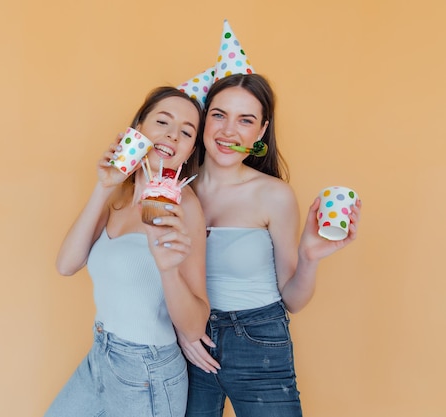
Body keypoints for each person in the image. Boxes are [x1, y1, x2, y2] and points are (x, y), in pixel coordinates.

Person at [176, 73, 362, 417]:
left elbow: (292, 299)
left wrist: (309, 257)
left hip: (258, 341)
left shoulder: (273, 195)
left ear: (261, 131)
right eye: (219, 115)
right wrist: (184, 330)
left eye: (245, 120)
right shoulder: (172, 188)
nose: (229, 131)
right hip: (184, 346)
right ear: (204, 119)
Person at [47, 86, 210, 417]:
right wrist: (103, 185)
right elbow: (66, 264)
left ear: (191, 148)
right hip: (102, 352)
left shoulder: (184, 206)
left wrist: (168, 269)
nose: (172, 135)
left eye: (186, 131)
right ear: (138, 129)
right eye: (162, 122)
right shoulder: (117, 197)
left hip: (148, 369)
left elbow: (194, 326)